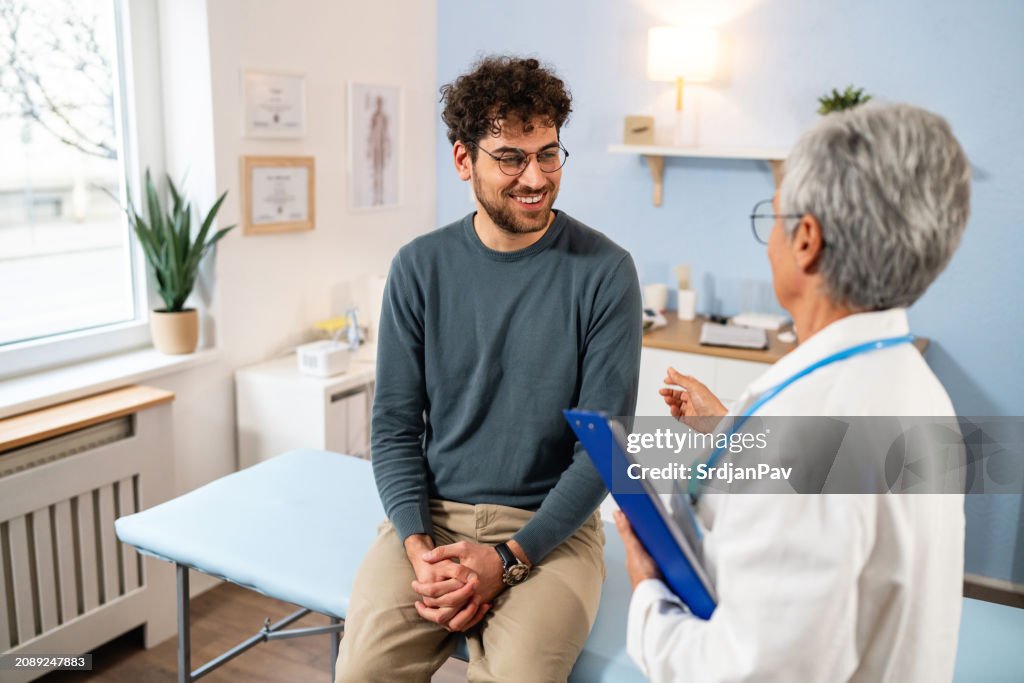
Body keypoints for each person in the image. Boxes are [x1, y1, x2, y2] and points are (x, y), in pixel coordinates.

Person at [616, 103, 970, 682]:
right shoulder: (912, 382)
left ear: (807, 239)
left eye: (773, 217)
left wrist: (648, 594)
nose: (769, 241)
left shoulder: (805, 430)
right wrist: (731, 431)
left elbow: (745, 672)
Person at [335, 56, 642, 682]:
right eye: (510, 157)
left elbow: (604, 448)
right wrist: (419, 547)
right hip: (433, 520)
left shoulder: (605, 273)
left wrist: (509, 558)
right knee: (362, 673)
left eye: (549, 154)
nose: (535, 177)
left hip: (548, 531)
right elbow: (394, 428)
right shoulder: (419, 268)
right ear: (462, 160)